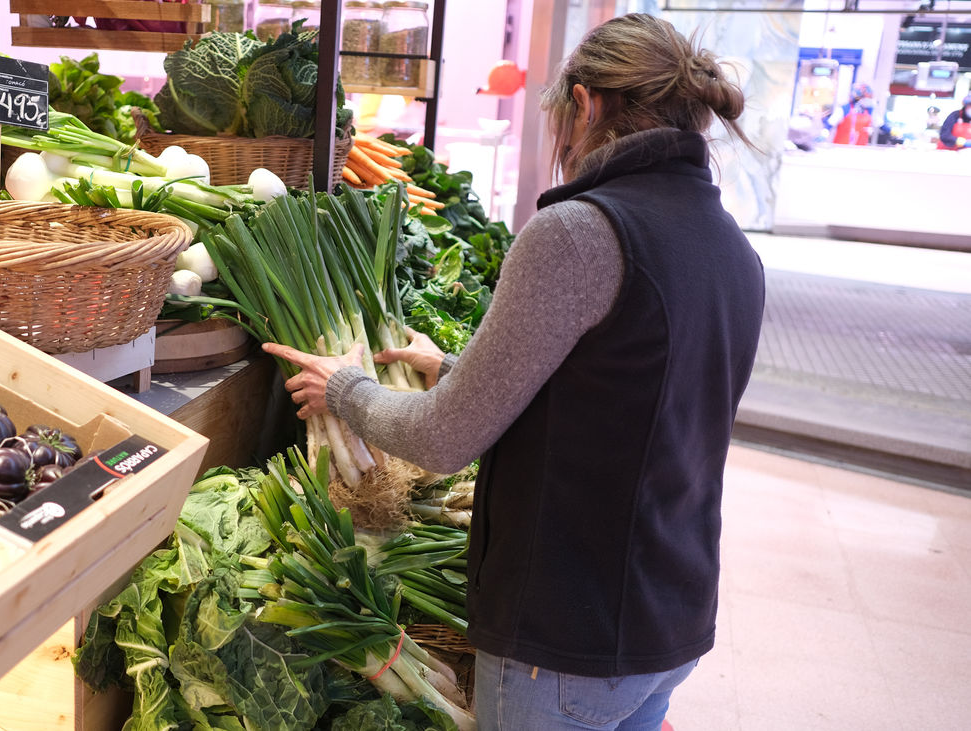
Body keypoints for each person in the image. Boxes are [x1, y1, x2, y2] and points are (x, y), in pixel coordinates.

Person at [263, 12, 765, 731]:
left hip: (566, 640)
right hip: (669, 621)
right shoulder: (730, 248)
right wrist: (455, 366)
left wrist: (347, 388)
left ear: (587, 104)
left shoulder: (576, 232)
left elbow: (442, 440)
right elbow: (629, 392)